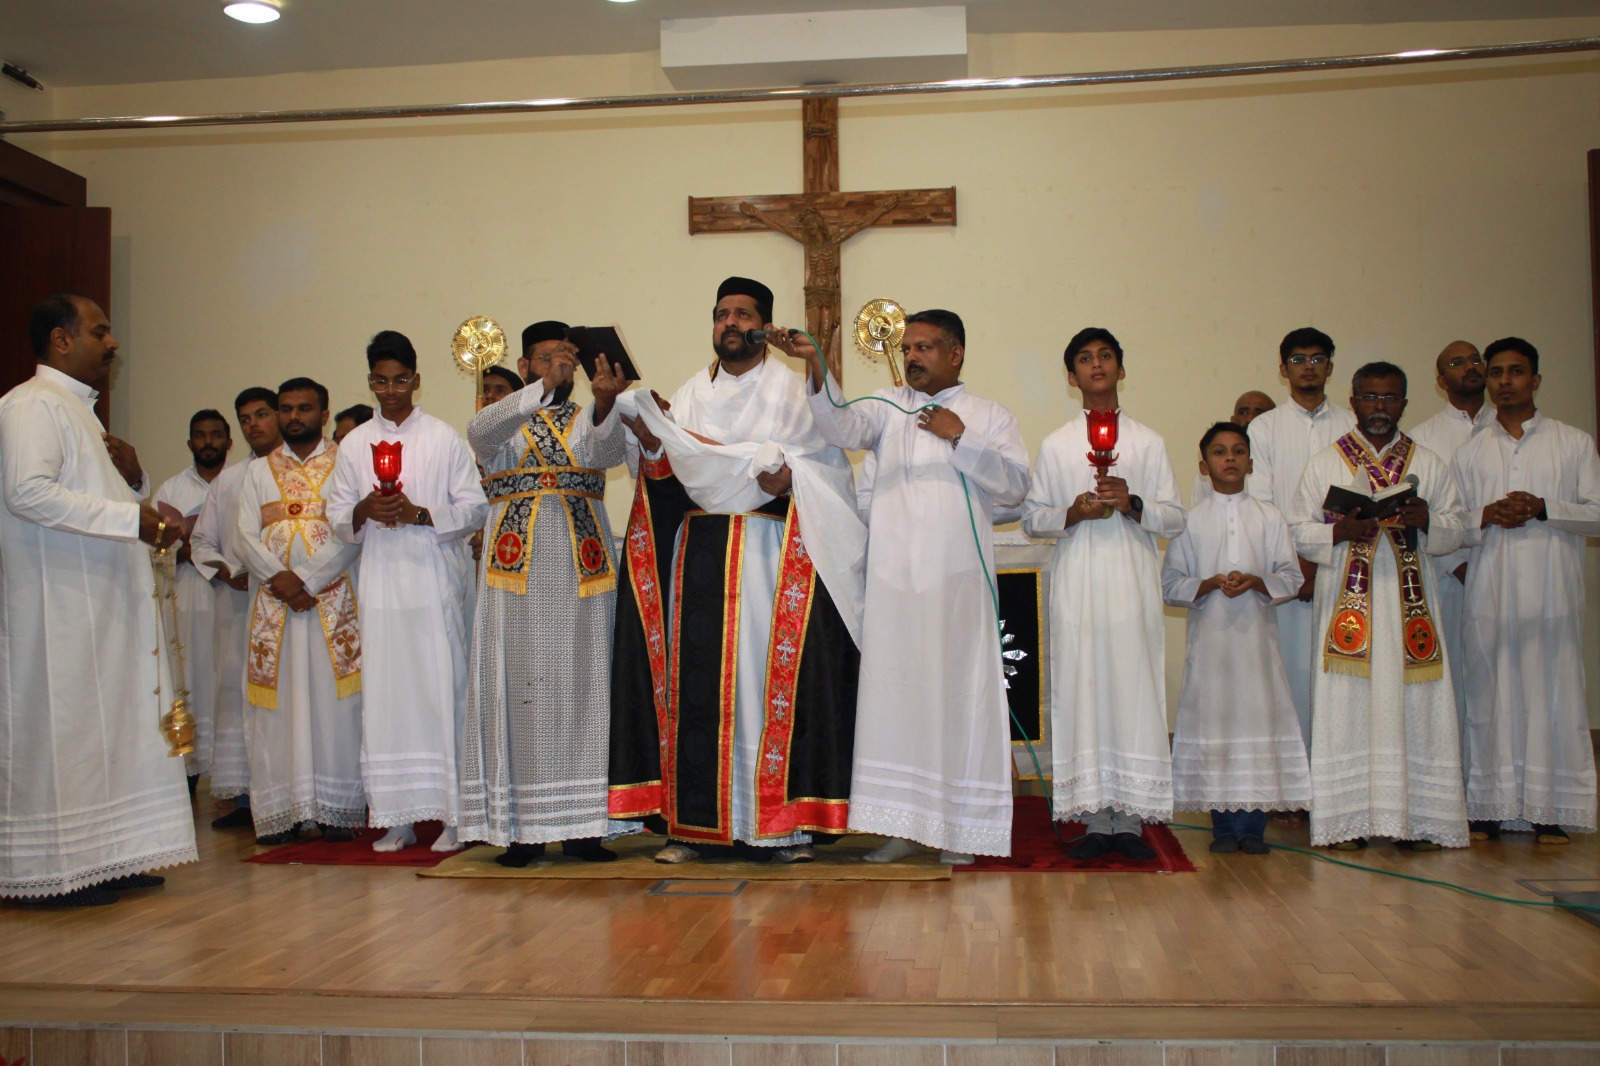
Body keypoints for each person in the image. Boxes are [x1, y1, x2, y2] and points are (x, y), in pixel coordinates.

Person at [609, 276, 861, 864]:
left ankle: (782, 828)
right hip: (699, 556)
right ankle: (691, 829)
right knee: (695, 691)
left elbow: (832, 468)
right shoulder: (689, 394)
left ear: (764, 327)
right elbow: (668, 475)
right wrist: (651, 442)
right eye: (722, 313)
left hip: (771, 555)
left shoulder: (795, 393)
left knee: (766, 687)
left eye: (742, 314)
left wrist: (793, 476)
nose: (730, 323)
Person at [786, 309, 1030, 864]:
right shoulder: (888, 406)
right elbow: (842, 427)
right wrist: (817, 368)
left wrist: (959, 437)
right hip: (895, 584)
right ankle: (901, 825)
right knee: (895, 699)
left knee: (956, 697)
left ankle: (960, 831)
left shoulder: (989, 415)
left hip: (956, 587)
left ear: (955, 354)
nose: (913, 357)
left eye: (925, 347)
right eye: (908, 348)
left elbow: (1016, 489)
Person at [0, 293, 196, 906]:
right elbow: (27, 493)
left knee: (110, 730)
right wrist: (132, 518)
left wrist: (135, 485)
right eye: (99, 331)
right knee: (68, 732)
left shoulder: (80, 411)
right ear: (61, 340)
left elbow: (91, 495)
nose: (112, 343)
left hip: (100, 605)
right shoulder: (32, 404)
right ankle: (52, 871)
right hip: (58, 606)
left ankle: (106, 858)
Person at [458, 322, 632, 864]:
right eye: (546, 358)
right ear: (526, 366)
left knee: (588, 686)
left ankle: (585, 828)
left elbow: (609, 454)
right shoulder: (506, 418)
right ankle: (520, 829)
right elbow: (479, 434)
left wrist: (608, 402)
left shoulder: (588, 418)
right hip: (517, 581)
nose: (559, 365)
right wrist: (541, 388)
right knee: (518, 691)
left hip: (584, 575)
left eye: (566, 358)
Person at [1289, 361, 1468, 851]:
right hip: (1347, 609)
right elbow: (1298, 530)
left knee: (1415, 703)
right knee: (1348, 701)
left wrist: (1427, 519)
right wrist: (1340, 531)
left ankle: (1417, 820)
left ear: (1405, 402)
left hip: (1410, 607)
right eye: (1370, 397)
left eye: (1390, 397)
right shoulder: (1326, 463)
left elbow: (1457, 527)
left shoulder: (1428, 462)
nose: (1380, 407)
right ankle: (1347, 820)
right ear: (1353, 401)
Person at [1022, 327, 1185, 861]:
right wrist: (1072, 512)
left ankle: (1130, 821)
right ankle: (1094, 817)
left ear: (1121, 368)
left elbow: (1174, 519)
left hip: (1130, 583)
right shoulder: (1057, 445)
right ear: (1072, 377)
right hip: (1080, 584)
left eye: (1106, 356)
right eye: (1085, 359)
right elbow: (1033, 519)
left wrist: (1133, 504)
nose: (1096, 365)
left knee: (1131, 688)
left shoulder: (1148, 442)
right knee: (1084, 688)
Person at [328, 331, 488, 853]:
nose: (391, 390)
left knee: (443, 690)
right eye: (381, 381)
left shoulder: (444, 438)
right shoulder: (354, 444)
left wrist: (420, 514)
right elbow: (336, 515)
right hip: (380, 587)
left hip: (432, 582)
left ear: (416, 380)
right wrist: (364, 510)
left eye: (400, 380)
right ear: (370, 382)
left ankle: (453, 817)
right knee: (387, 695)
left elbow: (474, 508)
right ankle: (396, 817)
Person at [1453, 338, 1599, 844]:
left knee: (1552, 694)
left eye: (1516, 372)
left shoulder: (1572, 443)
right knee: (1489, 695)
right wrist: (1486, 515)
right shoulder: (1470, 452)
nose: (1505, 381)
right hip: (1490, 596)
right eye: (1496, 372)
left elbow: (1597, 513)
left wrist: (1544, 508)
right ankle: (1487, 807)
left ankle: (1548, 810)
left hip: (1551, 596)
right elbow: (1448, 527)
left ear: (1535, 380)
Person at [1163, 422, 1310, 854]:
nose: (1230, 458)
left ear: (1250, 463)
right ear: (1203, 465)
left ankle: (1252, 829)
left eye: (1238, 451)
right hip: (1211, 645)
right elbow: (1170, 584)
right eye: (1219, 451)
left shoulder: (1270, 516)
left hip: (1256, 648)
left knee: (1256, 722)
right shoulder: (1189, 521)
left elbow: (1292, 577)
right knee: (1215, 723)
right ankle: (1223, 827)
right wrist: (1207, 583)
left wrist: (1258, 581)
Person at [234, 378, 367, 844]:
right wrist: (280, 579)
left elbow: (354, 530)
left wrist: (307, 579)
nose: (294, 417)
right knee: (277, 707)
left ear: (324, 413)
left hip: (332, 600)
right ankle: (282, 811)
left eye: (304, 408)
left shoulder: (347, 463)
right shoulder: (258, 470)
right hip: (275, 605)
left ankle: (337, 810)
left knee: (335, 705)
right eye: (286, 408)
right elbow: (243, 536)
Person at [1247, 328, 1356, 745]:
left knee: (1342, 676)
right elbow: (1261, 504)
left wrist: (1323, 557)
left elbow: (1361, 500)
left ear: (1329, 367)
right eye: (1298, 360)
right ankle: (1294, 777)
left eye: (1316, 359)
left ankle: (1335, 773)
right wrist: (1301, 565)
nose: (1308, 367)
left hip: (1346, 570)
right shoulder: (1264, 428)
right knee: (1289, 673)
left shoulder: (1352, 426)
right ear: (1283, 369)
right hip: (1287, 573)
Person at [190, 387, 282, 827]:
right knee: (238, 692)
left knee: (282, 695)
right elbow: (201, 541)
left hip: (285, 600)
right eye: (245, 419)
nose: (253, 425)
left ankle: (283, 792)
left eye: (261, 414)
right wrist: (225, 570)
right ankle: (243, 797)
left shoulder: (296, 473)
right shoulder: (227, 481)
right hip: (238, 604)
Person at [1407, 340, 1493, 749]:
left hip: (1503, 568)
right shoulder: (1421, 439)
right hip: (1446, 576)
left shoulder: (1508, 428)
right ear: (1441, 381)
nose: (1470, 366)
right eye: (1457, 362)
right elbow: (1415, 514)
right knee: (1451, 678)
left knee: (1498, 679)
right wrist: (1455, 563)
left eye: (1475, 359)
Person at [154, 409, 233, 789]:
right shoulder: (171, 490)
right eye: (200, 435)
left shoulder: (241, 481)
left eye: (215, 435)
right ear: (190, 442)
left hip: (230, 595)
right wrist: (182, 549)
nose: (208, 442)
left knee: (227, 681)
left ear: (228, 442)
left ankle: (230, 781)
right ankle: (186, 777)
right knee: (191, 680)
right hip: (188, 597)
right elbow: (153, 547)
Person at [1192, 390, 1278, 506]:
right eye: (1243, 412)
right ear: (1232, 420)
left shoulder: (1282, 462)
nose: (1250, 419)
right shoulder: (1212, 470)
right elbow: (1200, 512)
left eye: (1259, 413)